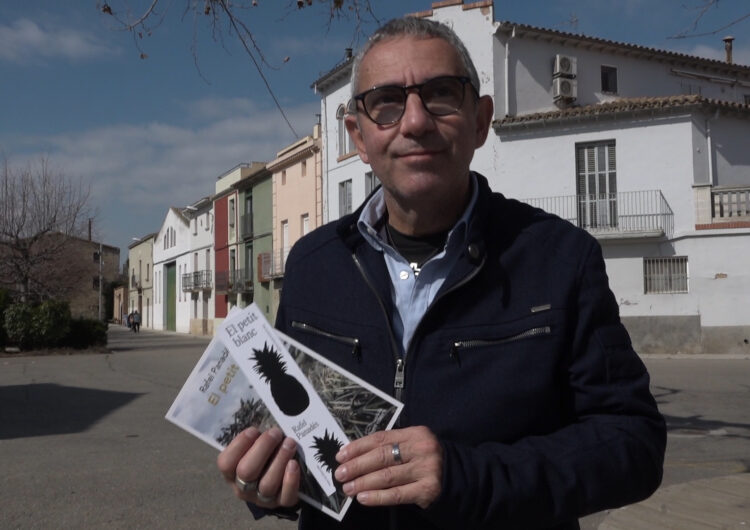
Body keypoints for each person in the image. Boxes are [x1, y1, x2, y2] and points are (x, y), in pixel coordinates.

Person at [217, 16, 666, 530]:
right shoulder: (313, 263)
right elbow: (292, 434)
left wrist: (465, 476)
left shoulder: (561, 259)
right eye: (386, 101)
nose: (414, 121)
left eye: (441, 94)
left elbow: (634, 444)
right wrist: (268, 483)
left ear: (480, 121)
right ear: (357, 137)